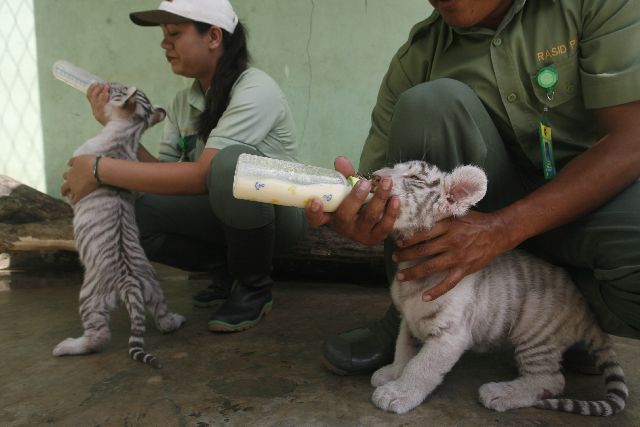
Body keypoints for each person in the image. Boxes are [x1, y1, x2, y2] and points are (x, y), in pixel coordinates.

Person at [305, 0, 640, 375]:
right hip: (475, 218)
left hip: (586, 206)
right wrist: (360, 216)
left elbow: (632, 139)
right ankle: (414, 316)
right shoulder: (419, 57)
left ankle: (565, 328)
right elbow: (375, 187)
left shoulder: (594, 6)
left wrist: (504, 228)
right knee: (431, 104)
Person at [61, 0, 306, 332]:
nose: (165, 44)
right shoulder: (182, 103)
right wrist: (118, 127)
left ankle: (254, 288)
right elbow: (164, 177)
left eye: (174, 33)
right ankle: (228, 270)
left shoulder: (255, 88)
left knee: (231, 165)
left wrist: (97, 169)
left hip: (280, 216)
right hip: (222, 215)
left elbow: (204, 174)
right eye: (163, 34)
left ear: (214, 37)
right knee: (133, 207)